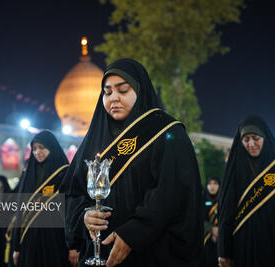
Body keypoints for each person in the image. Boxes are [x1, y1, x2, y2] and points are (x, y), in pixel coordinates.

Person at [63, 58, 203, 267]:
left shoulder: (165, 131)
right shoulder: (95, 139)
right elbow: (73, 193)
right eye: (107, 92)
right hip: (100, 254)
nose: (114, 98)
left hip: (150, 254)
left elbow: (171, 192)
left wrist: (134, 233)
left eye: (123, 90)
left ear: (139, 90)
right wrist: (84, 218)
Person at [217, 115, 275, 267]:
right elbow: (226, 212)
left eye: (256, 138)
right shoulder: (234, 170)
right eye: (246, 139)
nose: (251, 144)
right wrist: (224, 251)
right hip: (243, 245)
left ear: (265, 138)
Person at [12, 130, 70, 267]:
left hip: (55, 238)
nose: (37, 152)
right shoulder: (29, 173)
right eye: (34, 149)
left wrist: (73, 245)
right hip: (28, 239)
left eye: (41, 148)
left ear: (51, 147)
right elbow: (20, 209)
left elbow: (71, 209)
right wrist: (16, 246)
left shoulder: (64, 172)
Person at [201, 177, 220, 267]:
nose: (212, 186)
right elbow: (199, 219)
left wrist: (219, 231)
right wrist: (212, 229)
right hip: (206, 238)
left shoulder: (223, 199)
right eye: (210, 184)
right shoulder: (202, 198)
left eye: (215, 183)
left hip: (221, 237)